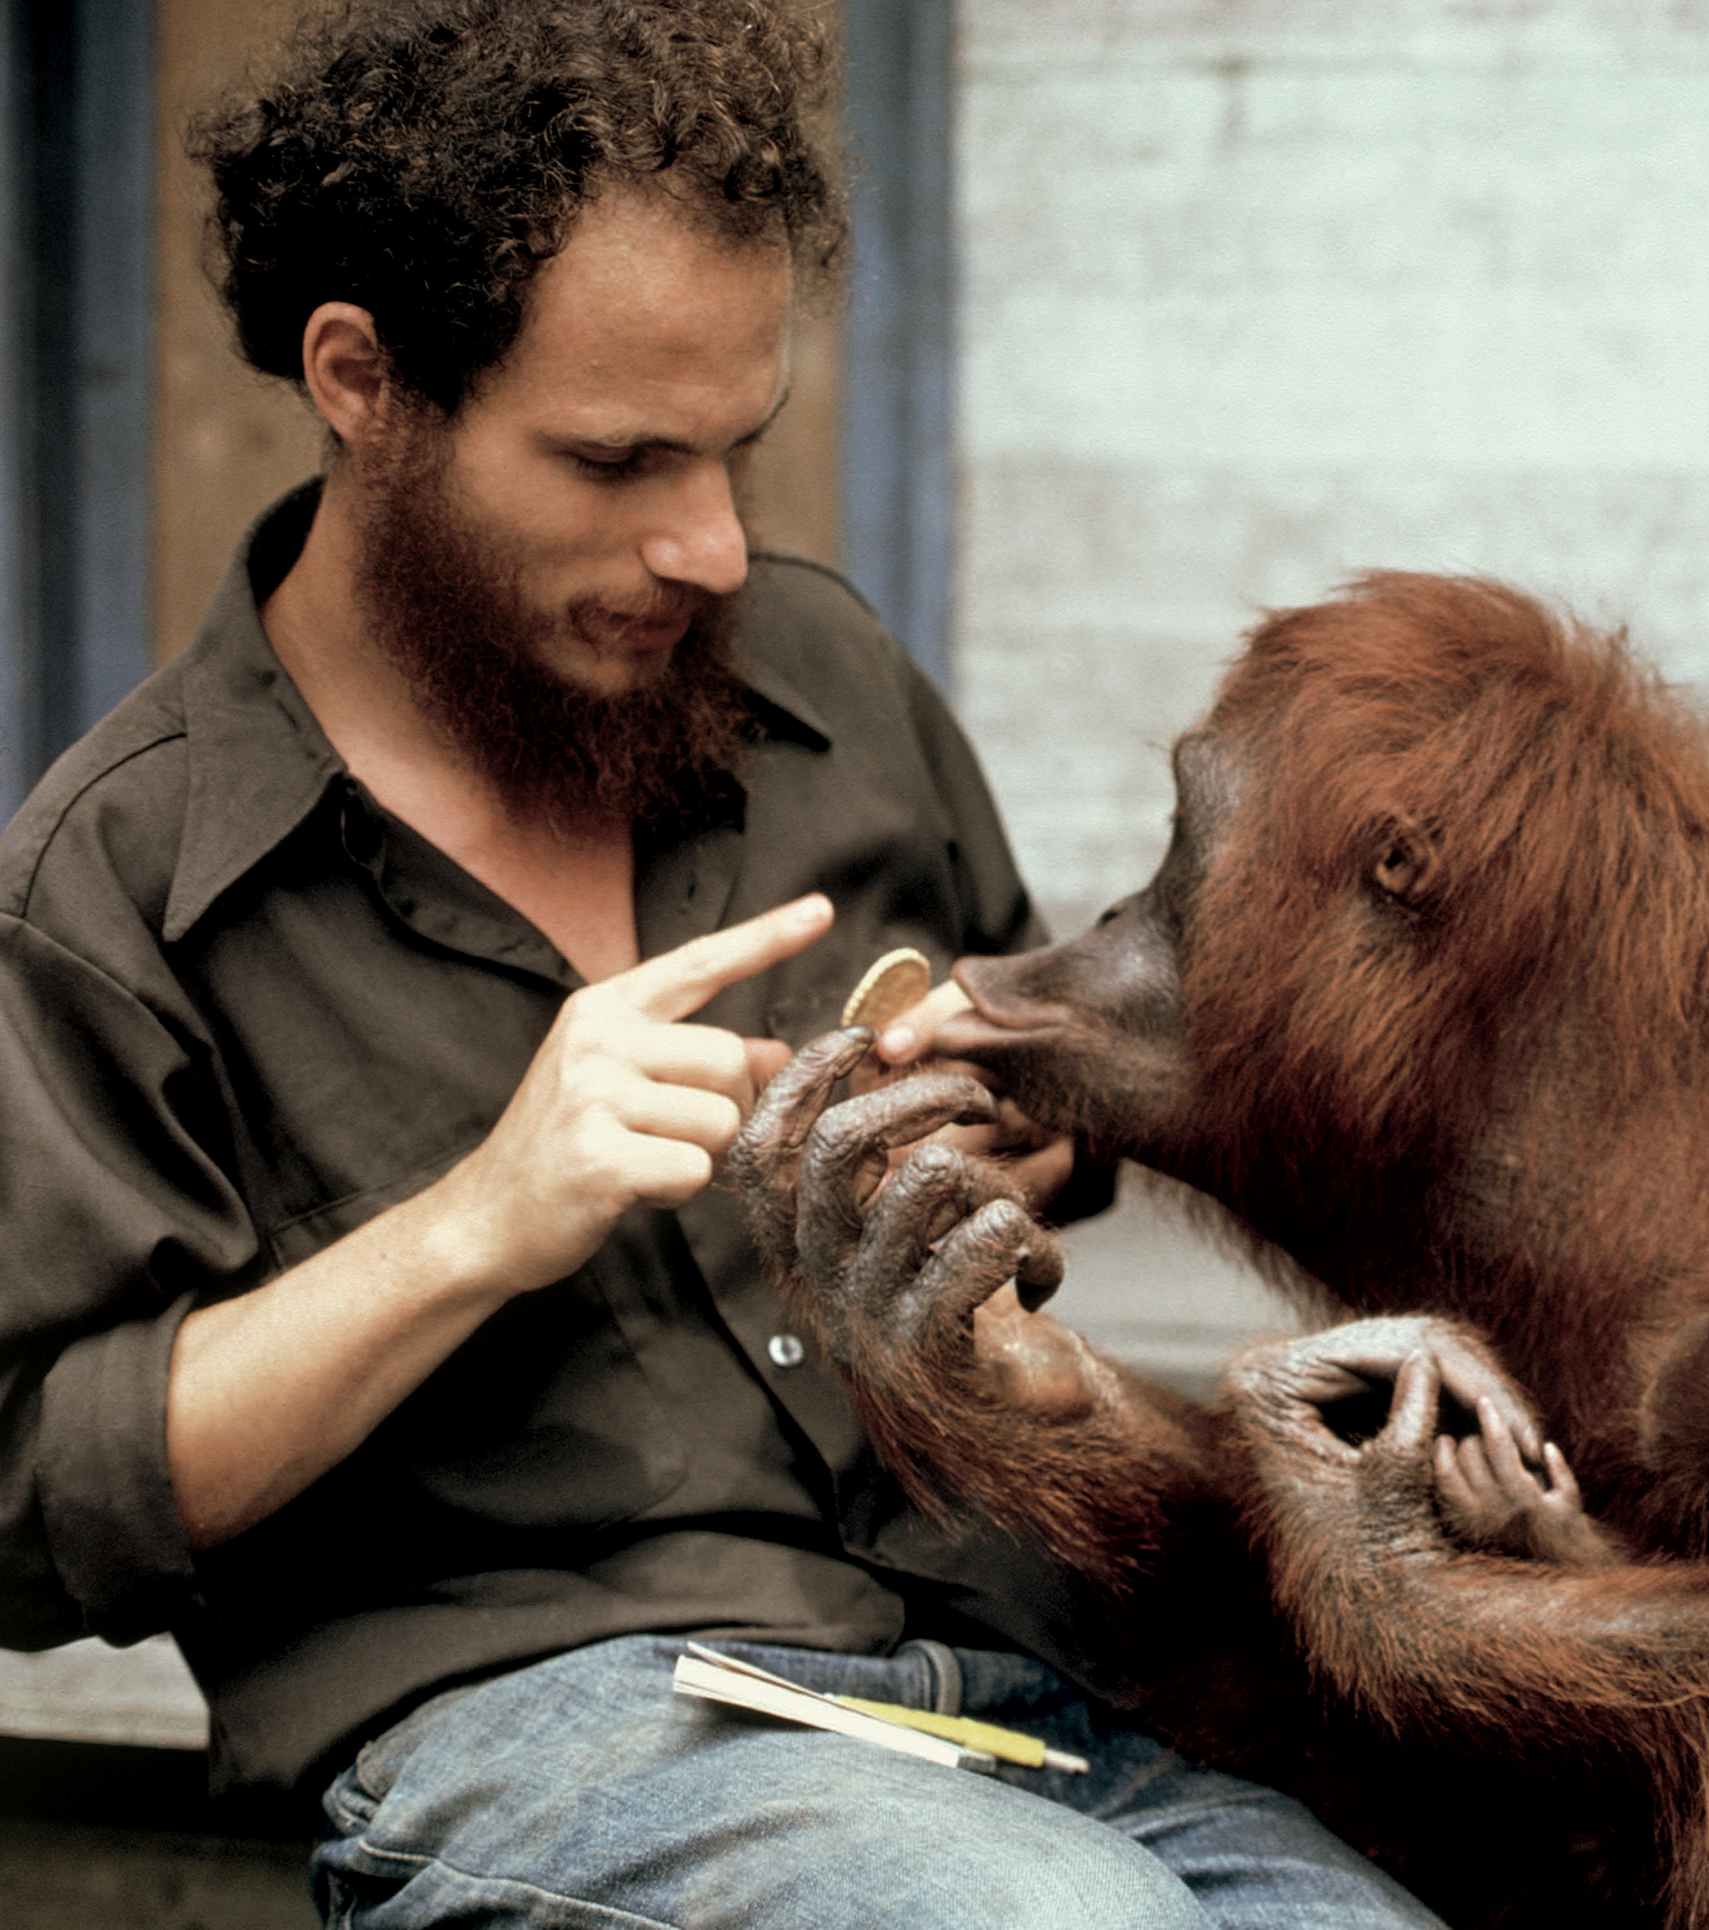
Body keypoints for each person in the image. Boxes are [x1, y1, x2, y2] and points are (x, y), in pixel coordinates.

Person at [0, 3, 1445, 1924]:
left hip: (1016, 1664)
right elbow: (29, 1509)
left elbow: (1045, 1120)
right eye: (614, 460)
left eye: (736, 452)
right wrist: (480, 1220)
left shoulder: (823, 672)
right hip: (552, 1716)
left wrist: (1003, 1143)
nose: (706, 547)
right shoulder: (116, 880)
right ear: (362, 380)